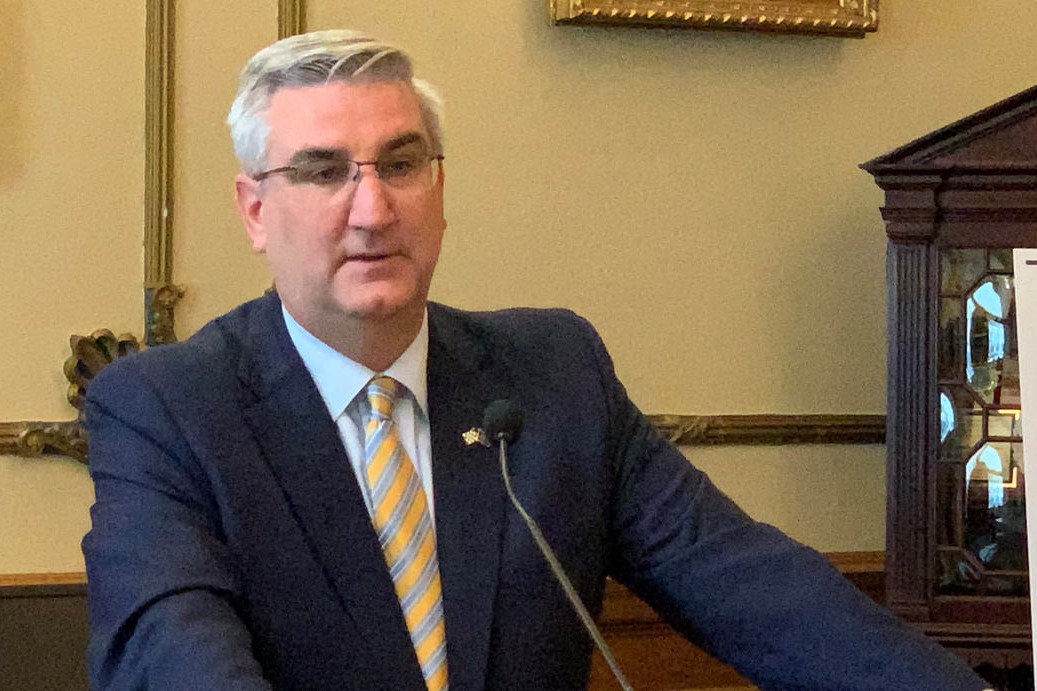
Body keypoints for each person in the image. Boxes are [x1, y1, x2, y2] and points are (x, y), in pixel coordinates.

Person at [82, 29, 992, 691]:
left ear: (439, 188)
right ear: (252, 210)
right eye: (323, 172)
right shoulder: (166, 407)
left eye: (401, 164)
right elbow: (173, 648)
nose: (370, 209)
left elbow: (751, 585)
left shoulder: (551, 374)